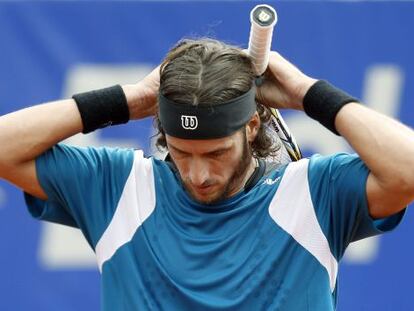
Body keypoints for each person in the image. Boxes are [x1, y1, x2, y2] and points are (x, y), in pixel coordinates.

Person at [0, 38, 412, 310]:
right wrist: (125, 100)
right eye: (181, 152)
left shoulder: (316, 193)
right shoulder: (117, 186)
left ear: (252, 126)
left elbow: (407, 171)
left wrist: (308, 93)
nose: (198, 174)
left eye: (216, 153)